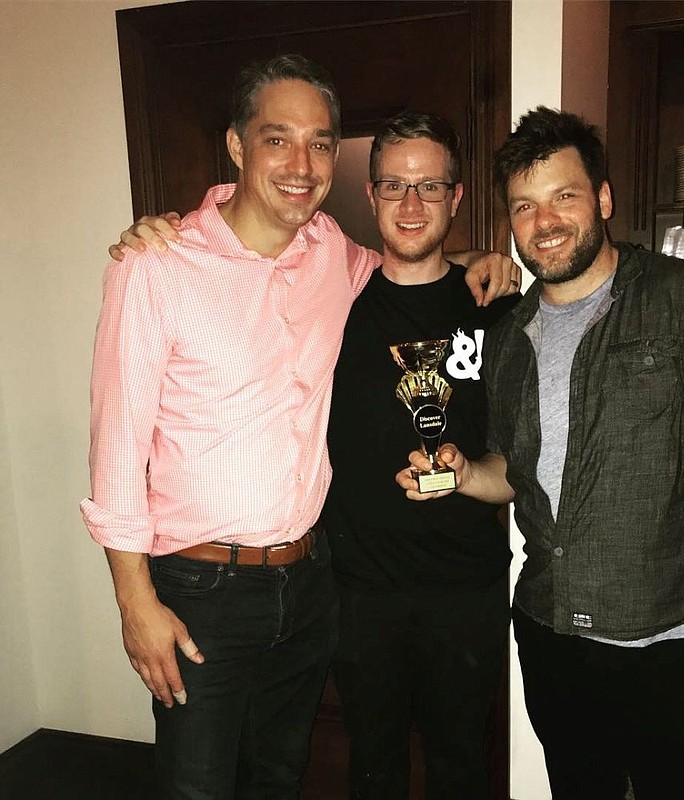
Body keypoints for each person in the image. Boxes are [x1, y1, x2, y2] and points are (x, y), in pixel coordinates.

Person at [83, 54, 517, 800]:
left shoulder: (333, 257)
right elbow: (115, 450)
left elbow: (409, 265)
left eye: (320, 142)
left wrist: (486, 259)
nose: (302, 162)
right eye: (277, 138)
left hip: (312, 581)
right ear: (236, 145)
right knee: (197, 785)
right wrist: (135, 604)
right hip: (198, 589)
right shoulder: (155, 267)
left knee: (281, 778)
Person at [397, 106, 684, 800]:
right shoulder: (511, 335)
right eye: (524, 206)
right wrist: (463, 475)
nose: (544, 223)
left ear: (604, 199)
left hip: (680, 643)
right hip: (555, 641)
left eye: (564, 197)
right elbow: (513, 477)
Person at [323, 112, 517, 799]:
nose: (411, 205)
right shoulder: (333, 303)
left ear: (457, 198)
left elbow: (523, 459)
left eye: (430, 187)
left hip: (465, 591)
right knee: (371, 766)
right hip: (359, 593)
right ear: (371, 195)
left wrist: (467, 474)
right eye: (394, 186)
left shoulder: (499, 311)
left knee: (461, 766)